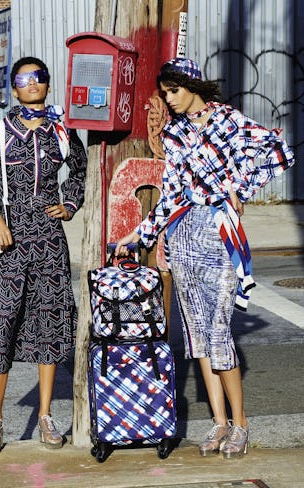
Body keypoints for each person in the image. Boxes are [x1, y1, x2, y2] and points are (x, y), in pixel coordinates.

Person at [115, 57, 295, 459]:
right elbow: (173, 194)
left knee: (219, 334)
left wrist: (239, 187)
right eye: (164, 93)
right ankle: (217, 422)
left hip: (219, 235)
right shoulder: (176, 134)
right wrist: (140, 233)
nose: (169, 99)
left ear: (192, 86)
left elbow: (278, 150)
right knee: (197, 338)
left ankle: (241, 424)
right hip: (182, 238)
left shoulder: (228, 121)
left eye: (173, 91)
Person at [0, 56, 87, 456]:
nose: (32, 84)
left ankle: (46, 416)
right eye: (23, 79)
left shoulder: (61, 131)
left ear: (47, 84)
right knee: (3, 325)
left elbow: (80, 170)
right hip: (10, 241)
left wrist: (70, 203)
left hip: (49, 239)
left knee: (48, 321)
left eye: (38, 77)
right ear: (13, 89)